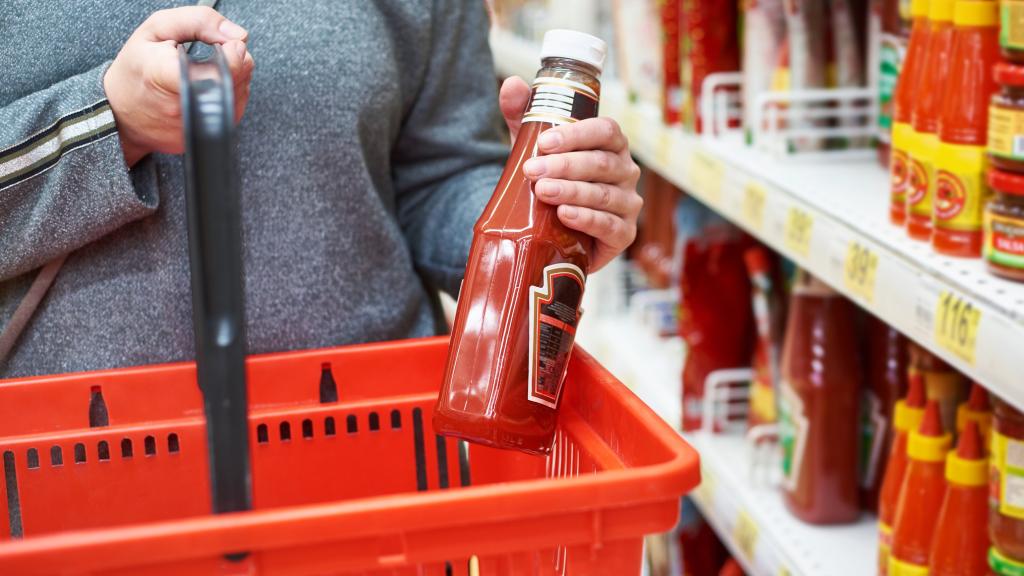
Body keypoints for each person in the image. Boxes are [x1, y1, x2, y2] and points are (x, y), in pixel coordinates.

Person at [0, 2, 641, 378]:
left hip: (372, 444)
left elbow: (435, 174)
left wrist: (547, 214)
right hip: (72, 459)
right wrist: (105, 124)